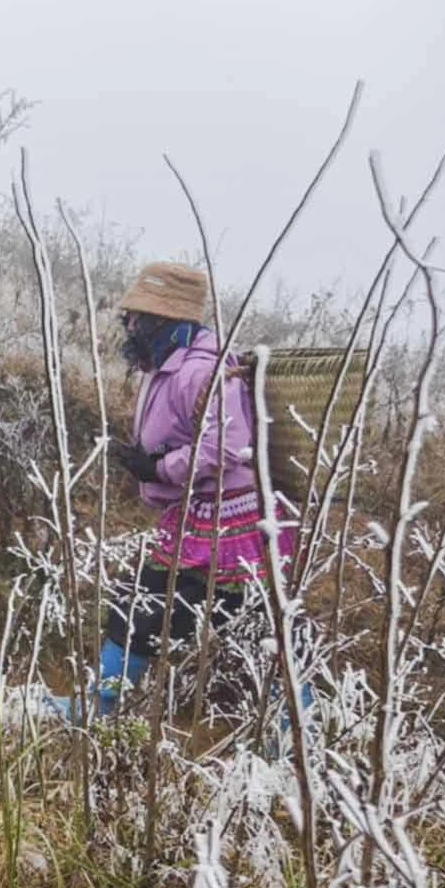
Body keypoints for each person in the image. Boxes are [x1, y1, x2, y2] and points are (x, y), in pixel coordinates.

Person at [71, 262, 296, 719]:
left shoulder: (203, 370)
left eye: (137, 316)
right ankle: (301, 737)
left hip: (231, 523)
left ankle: (98, 709)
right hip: (209, 515)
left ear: (164, 321)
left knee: (162, 607)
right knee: (256, 624)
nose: (128, 324)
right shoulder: (171, 363)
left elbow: (229, 444)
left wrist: (160, 467)